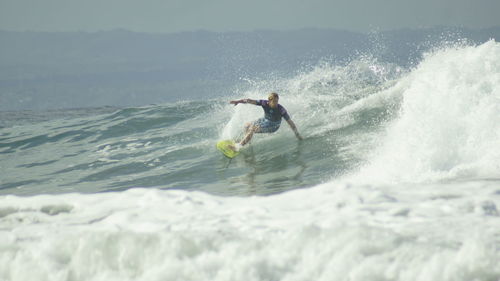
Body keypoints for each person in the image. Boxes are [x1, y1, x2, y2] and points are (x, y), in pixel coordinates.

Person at [229, 92, 302, 150]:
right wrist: (238, 101)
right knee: (246, 125)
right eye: (274, 101)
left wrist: (297, 135)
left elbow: (290, 122)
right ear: (269, 101)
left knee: (252, 129)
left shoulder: (281, 110)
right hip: (265, 120)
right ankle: (246, 141)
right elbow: (249, 100)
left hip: (273, 126)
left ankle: (238, 147)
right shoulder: (264, 103)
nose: (276, 103)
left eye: (277, 101)